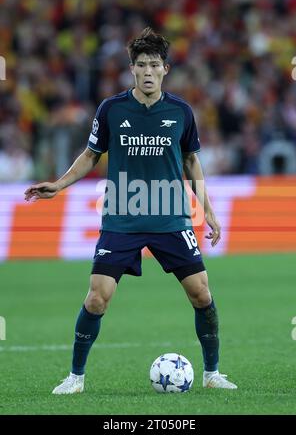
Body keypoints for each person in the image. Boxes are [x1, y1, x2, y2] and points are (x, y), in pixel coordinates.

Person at [24, 27, 237, 393]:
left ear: (165, 69)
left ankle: (212, 373)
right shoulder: (111, 109)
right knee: (97, 297)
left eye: (155, 64)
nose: (149, 71)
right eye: (142, 65)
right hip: (122, 217)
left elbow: (191, 162)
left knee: (202, 293)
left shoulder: (181, 112)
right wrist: (58, 185)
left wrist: (210, 211)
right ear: (132, 70)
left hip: (170, 216)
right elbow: (91, 155)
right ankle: (75, 378)